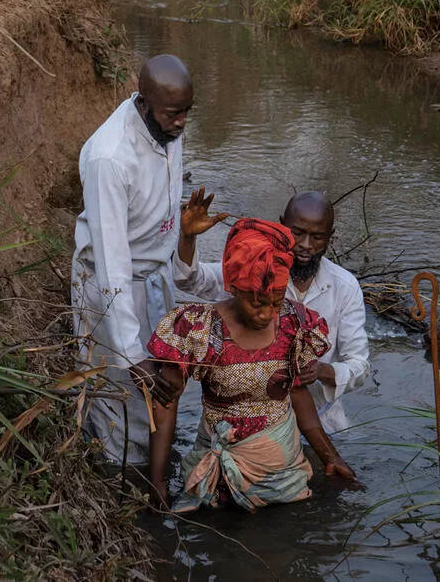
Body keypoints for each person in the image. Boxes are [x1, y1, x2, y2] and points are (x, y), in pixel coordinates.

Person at [147, 217, 359, 512]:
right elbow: (167, 404)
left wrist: (331, 458)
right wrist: (157, 480)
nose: (267, 314)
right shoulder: (199, 329)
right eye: (256, 303)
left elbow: (298, 395)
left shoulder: (293, 324)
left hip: (281, 476)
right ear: (234, 288)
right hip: (215, 468)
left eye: (276, 301)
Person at [72, 55, 194, 467]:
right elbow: (111, 261)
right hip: (108, 288)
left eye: (186, 113)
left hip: (153, 277)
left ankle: (154, 469)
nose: (180, 124)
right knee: (116, 397)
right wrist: (129, 350)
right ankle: (115, 482)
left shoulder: (166, 129)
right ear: (143, 104)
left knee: (158, 393)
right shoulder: (110, 158)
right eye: (173, 114)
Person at [174, 189, 371, 431]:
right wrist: (187, 238)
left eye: (317, 237)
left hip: (320, 418)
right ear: (282, 225)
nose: (306, 245)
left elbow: (359, 364)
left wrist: (325, 371)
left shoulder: (345, 286)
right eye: (297, 233)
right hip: (243, 419)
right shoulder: (252, 269)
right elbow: (191, 280)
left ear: (331, 236)